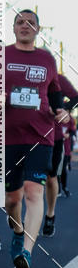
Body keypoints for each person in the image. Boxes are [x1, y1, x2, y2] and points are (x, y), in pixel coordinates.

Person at [1, 10, 67, 268]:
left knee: (33, 192)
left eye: (30, 22)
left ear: (38, 29)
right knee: (11, 199)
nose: (25, 26)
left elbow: (56, 96)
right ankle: (18, 230)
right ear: (13, 28)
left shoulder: (46, 59)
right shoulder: (0, 56)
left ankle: (27, 250)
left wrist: (60, 110)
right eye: (20, 22)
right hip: (5, 137)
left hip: (41, 136)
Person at [43, 73, 78, 236]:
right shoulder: (20, 73)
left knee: (51, 178)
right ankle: (22, 220)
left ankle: (50, 215)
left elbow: (76, 97)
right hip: (25, 135)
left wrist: (64, 110)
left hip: (53, 137)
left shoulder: (58, 79)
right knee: (25, 184)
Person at [60, 116, 76, 197]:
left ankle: (64, 187)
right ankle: (57, 189)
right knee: (52, 170)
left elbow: (73, 131)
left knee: (63, 169)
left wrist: (68, 134)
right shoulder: (52, 116)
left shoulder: (70, 119)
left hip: (65, 149)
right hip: (52, 148)